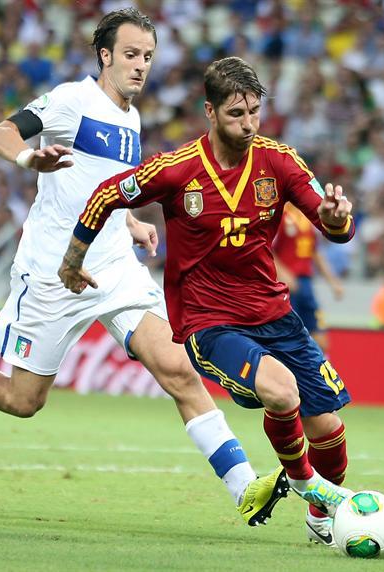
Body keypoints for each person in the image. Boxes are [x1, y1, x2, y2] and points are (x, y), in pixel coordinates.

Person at [0, 9, 289, 527]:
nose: (140, 66)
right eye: (130, 55)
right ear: (105, 56)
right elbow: (1, 133)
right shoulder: (70, 100)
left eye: (147, 57)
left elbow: (104, 190)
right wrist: (27, 160)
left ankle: (244, 487)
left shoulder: (131, 119)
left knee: (177, 369)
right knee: (23, 399)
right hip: (54, 274)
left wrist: (128, 225)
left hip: (114, 267)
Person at [59, 56, 357, 546]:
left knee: (327, 425)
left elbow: (335, 228)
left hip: (275, 313)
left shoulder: (280, 161)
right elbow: (105, 195)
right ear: (210, 112)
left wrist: (336, 217)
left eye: (255, 113)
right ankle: (306, 484)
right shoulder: (176, 170)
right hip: (209, 321)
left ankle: (324, 515)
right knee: (282, 392)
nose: (248, 125)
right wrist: (74, 259)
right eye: (237, 114)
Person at [273, 202, 344, 353]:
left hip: (306, 284)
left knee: (321, 340)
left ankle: (319, 375)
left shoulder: (308, 215)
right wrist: (283, 273)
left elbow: (315, 252)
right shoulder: (280, 213)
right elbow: (265, 247)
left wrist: (333, 281)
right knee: (289, 339)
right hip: (286, 287)